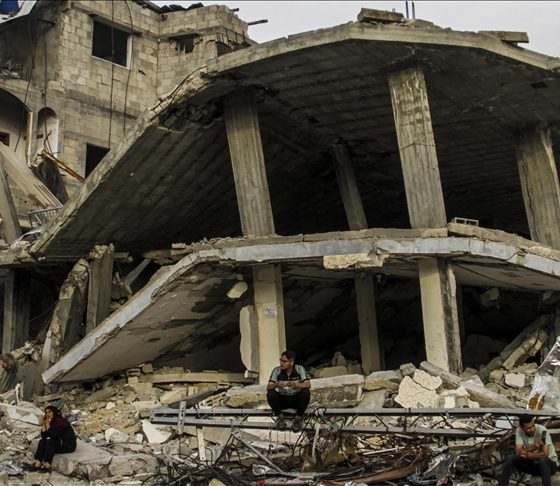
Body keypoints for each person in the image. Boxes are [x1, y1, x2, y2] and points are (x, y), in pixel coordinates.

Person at [499, 414, 558, 486]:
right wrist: (533, 448)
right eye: (528, 428)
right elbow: (519, 452)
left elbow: (545, 454)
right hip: (533, 466)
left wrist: (530, 455)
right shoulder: (519, 431)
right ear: (522, 428)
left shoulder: (542, 430)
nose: (532, 429)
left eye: (533, 426)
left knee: (543, 460)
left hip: (549, 466)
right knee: (510, 458)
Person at [266, 350, 311, 432]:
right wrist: (276, 384)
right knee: (270, 393)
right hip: (283, 399)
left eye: (284, 361)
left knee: (305, 392)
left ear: (291, 362)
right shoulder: (277, 370)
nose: (281, 363)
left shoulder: (299, 369)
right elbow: (268, 387)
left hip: (296, 400)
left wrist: (297, 385)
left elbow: (308, 385)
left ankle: (297, 419)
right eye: (281, 360)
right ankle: (281, 418)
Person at [33, 405, 77, 472]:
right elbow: (44, 436)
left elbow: (53, 435)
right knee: (42, 441)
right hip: (59, 443)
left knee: (50, 442)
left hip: (67, 445)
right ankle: (38, 462)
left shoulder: (61, 422)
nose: (47, 414)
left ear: (54, 412)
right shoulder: (52, 421)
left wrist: (48, 426)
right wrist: (44, 425)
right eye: (46, 413)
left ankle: (47, 464)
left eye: (49, 412)